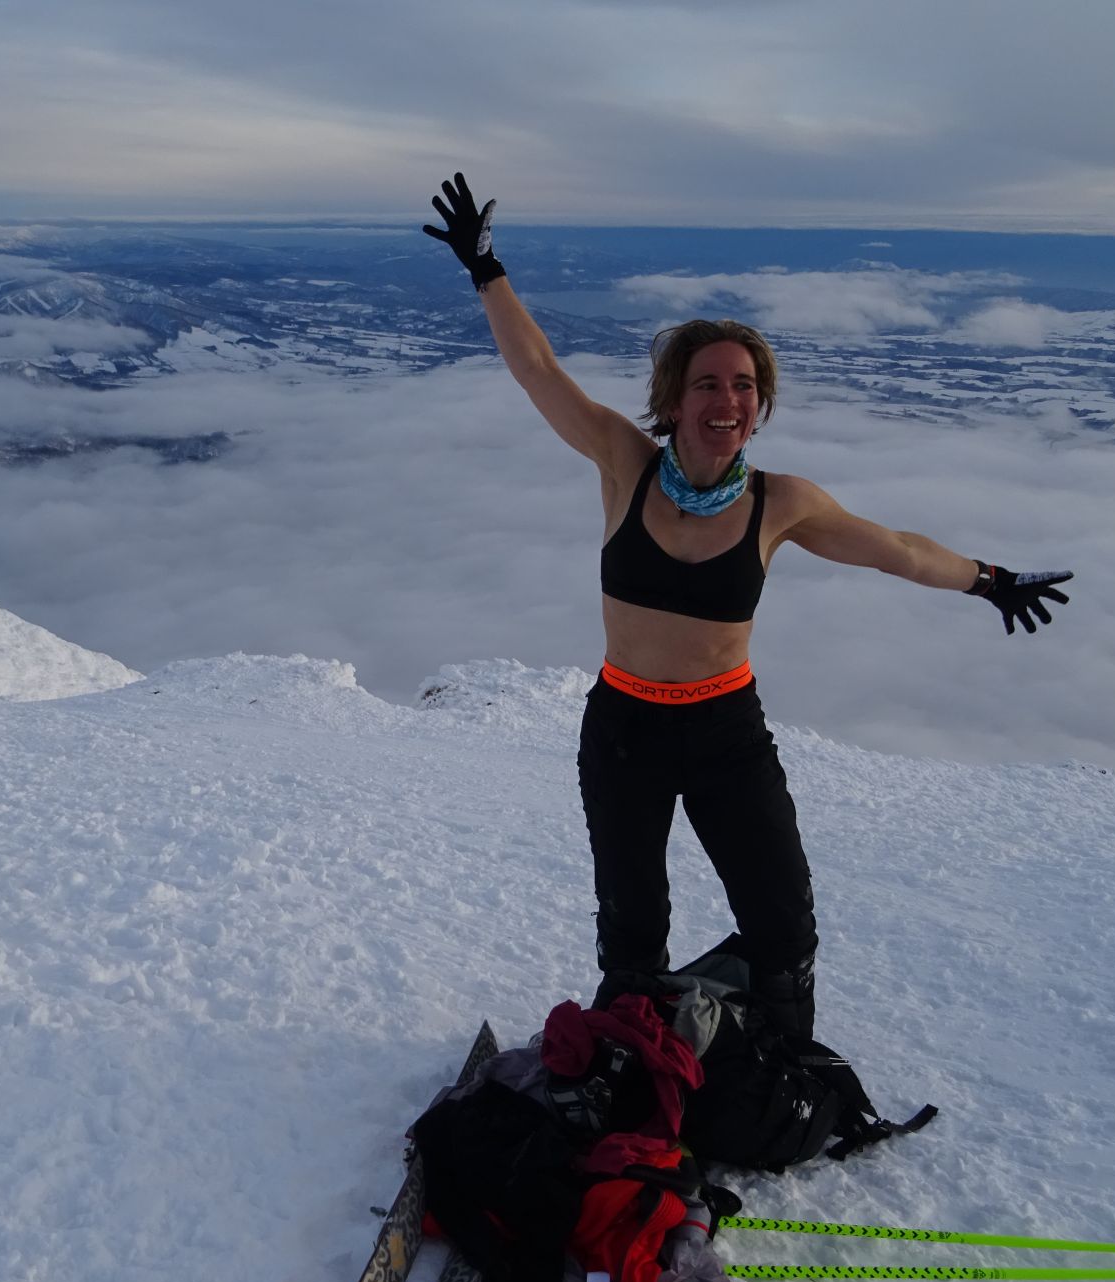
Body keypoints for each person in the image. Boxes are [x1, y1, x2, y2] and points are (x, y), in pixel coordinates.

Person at [423, 173, 1073, 1039]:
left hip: (726, 729)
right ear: (674, 398)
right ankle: (636, 1063)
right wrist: (485, 268)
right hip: (623, 728)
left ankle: (778, 1073)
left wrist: (989, 580)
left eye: (742, 385)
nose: (725, 400)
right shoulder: (624, 463)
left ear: (759, 405)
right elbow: (538, 370)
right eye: (707, 383)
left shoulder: (783, 503)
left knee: (781, 919)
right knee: (631, 928)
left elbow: (901, 550)